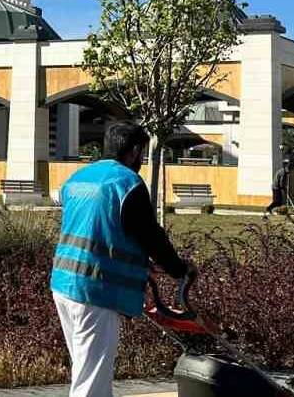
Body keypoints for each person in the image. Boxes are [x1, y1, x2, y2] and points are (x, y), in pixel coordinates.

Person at [50, 121, 195, 397]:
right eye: (142, 154)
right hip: (95, 292)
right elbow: (152, 237)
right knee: (90, 383)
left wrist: (137, 263)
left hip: (64, 284)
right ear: (135, 151)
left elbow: (99, 229)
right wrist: (179, 270)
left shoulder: (79, 178)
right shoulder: (127, 183)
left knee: (88, 370)